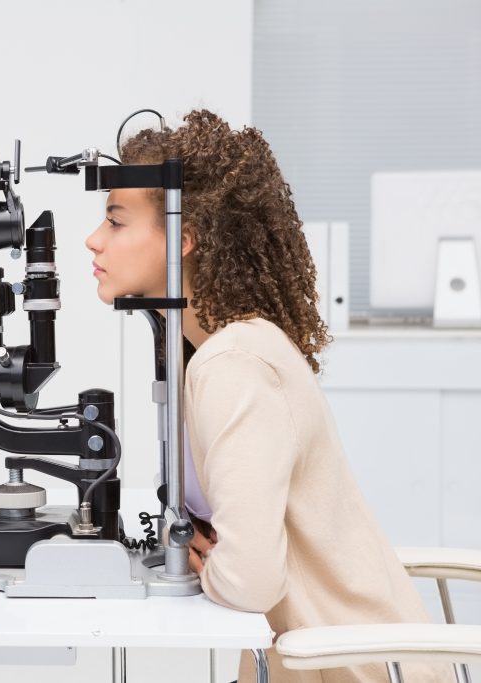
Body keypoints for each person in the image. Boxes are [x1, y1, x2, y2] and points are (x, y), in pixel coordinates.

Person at [85, 109, 449, 682]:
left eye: (116, 221)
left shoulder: (233, 364)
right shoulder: (217, 350)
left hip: (349, 672)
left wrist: (212, 564)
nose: (94, 240)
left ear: (184, 239)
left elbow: (249, 579)